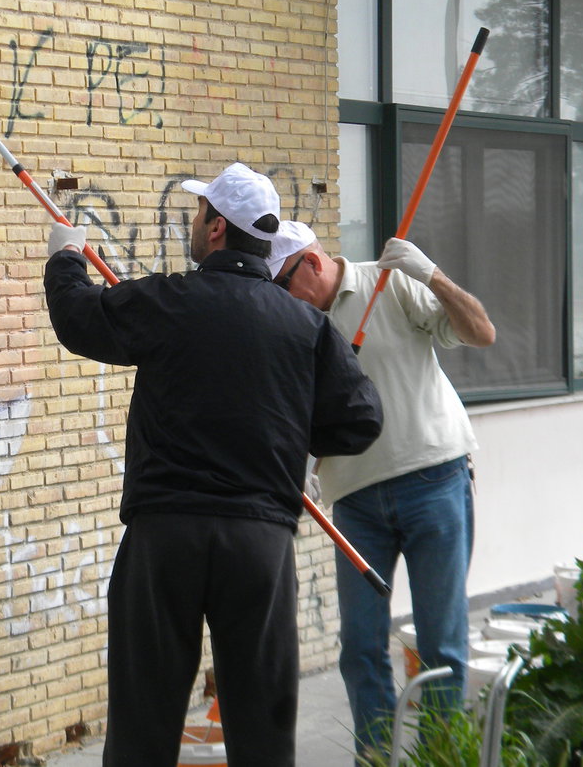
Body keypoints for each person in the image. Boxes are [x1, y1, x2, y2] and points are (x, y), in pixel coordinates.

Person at [43, 163, 383, 767]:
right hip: (258, 544)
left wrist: (66, 255)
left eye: (200, 213)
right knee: (261, 730)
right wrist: (287, 434)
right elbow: (361, 419)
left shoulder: (167, 300)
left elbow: (78, 318)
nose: (194, 222)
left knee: (143, 727)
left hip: (165, 539)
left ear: (219, 227)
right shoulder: (306, 327)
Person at [268, 222, 495, 758]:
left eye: (281, 285)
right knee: (360, 648)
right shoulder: (288, 324)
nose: (278, 298)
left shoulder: (390, 283)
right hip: (356, 502)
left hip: (433, 479)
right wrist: (297, 463)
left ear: (312, 264)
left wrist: (432, 275)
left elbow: (482, 333)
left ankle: (441, 758)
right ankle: (375, 758)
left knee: (442, 642)